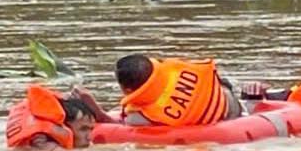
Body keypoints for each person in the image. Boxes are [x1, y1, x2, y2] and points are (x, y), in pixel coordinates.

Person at [75, 54, 242, 127]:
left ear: (127, 89)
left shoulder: (142, 117)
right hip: (230, 100)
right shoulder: (176, 69)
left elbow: (116, 126)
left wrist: (94, 108)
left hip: (226, 118)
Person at [6, 84, 96, 151]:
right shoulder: (45, 145)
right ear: (63, 125)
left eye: (91, 129)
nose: (89, 137)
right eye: (83, 129)